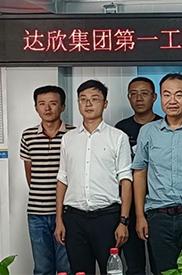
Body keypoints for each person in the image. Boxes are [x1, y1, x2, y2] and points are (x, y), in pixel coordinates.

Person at [132, 73, 182, 274]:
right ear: (160, 97)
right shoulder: (148, 132)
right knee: (164, 271)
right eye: (166, 94)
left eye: (178, 94)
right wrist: (140, 215)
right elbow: (140, 173)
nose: (172, 100)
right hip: (159, 217)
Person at [54, 80, 133, 275]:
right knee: (80, 271)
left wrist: (123, 221)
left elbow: (126, 180)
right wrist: (59, 220)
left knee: (111, 271)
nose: (88, 104)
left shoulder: (118, 137)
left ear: (105, 104)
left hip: (107, 218)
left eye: (94, 99)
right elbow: (62, 179)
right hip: (74, 218)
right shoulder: (68, 138)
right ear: (78, 103)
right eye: (83, 99)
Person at [20, 85, 74, 275]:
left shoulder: (74, 135)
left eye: (53, 103)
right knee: (42, 268)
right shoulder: (28, 136)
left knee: (66, 267)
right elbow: (30, 174)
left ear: (63, 106)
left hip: (67, 213)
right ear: (36, 107)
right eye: (42, 104)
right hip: (37, 213)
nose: (47, 108)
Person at [115, 77, 162, 275]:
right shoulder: (120, 129)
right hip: (128, 206)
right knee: (134, 266)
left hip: (157, 204)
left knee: (161, 265)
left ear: (154, 97)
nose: (139, 98)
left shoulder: (163, 125)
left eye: (144, 93)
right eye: (133, 94)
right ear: (128, 97)